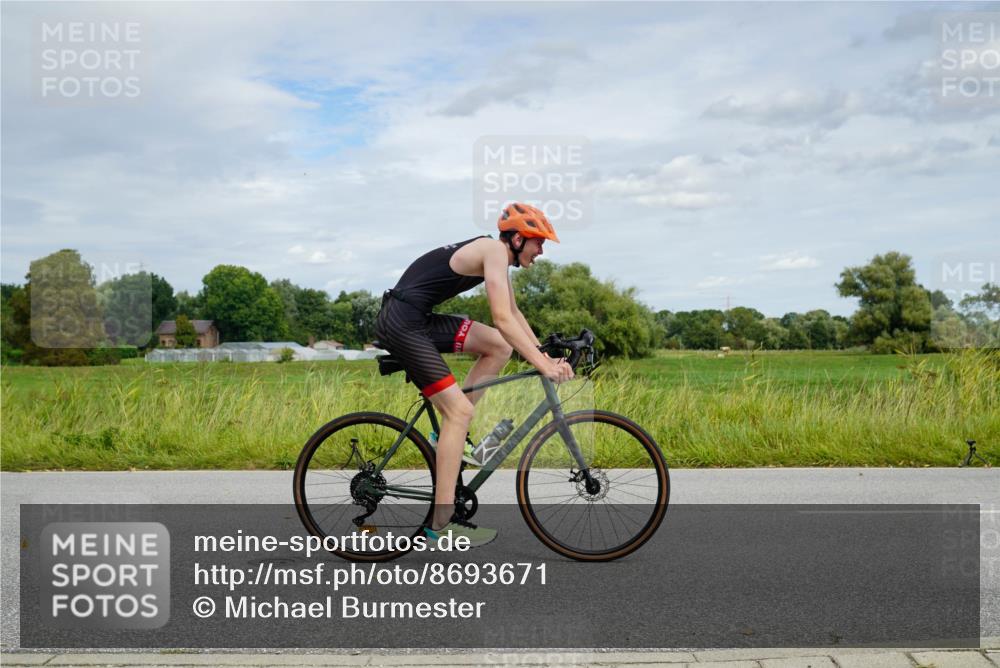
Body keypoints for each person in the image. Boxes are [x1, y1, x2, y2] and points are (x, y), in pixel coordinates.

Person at [374, 202, 575, 547]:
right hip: (403, 324)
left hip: (417, 318)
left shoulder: (496, 255)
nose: (541, 251)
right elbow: (501, 317)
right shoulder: (493, 250)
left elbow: (513, 314)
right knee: (460, 411)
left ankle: (449, 437)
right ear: (515, 239)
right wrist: (542, 366)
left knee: (499, 346)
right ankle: (440, 525)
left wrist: (544, 354)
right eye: (538, 242)